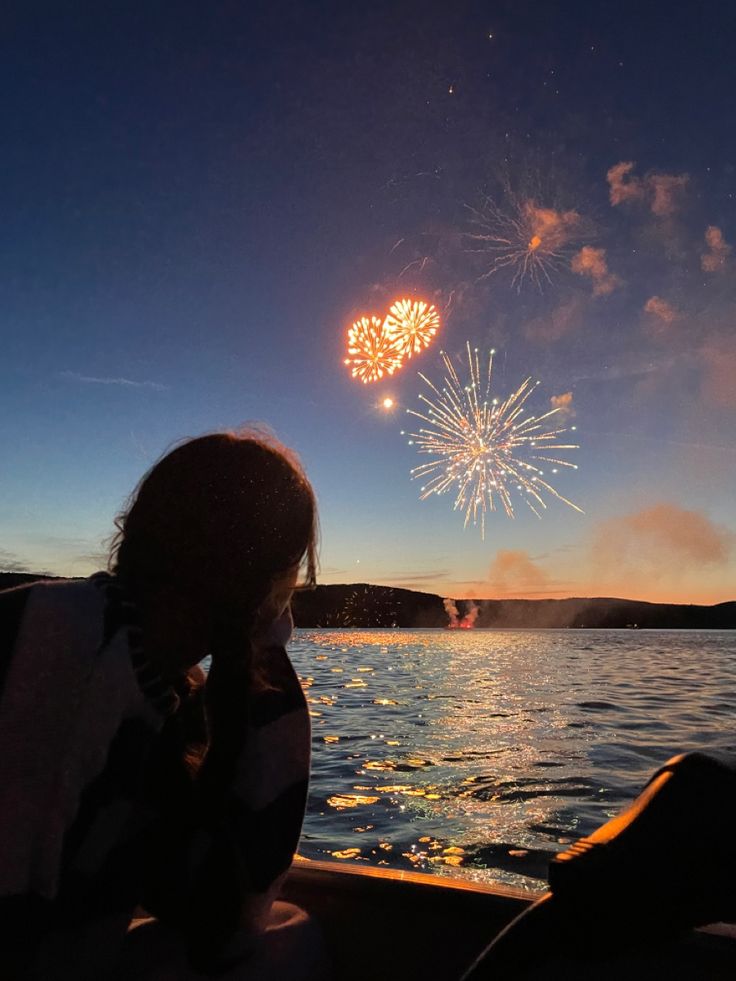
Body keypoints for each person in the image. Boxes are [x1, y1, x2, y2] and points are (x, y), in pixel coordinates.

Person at [0, 430, 325, 980]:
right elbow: (238, 918)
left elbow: (196, 903)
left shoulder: (148, 682)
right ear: (267, 584)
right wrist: (268, 655)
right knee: (294, 945)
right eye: (289, 574)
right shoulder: (81, 666)